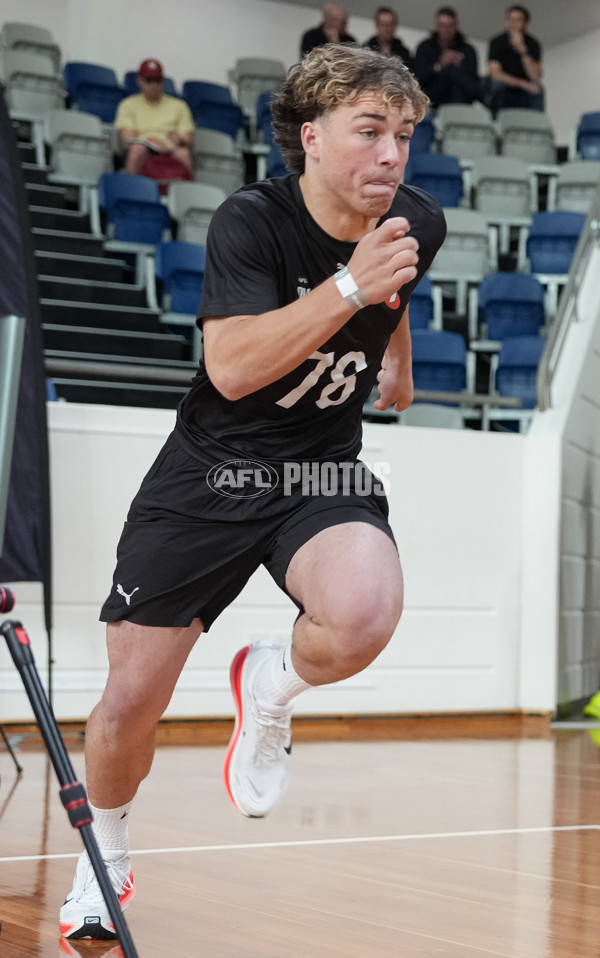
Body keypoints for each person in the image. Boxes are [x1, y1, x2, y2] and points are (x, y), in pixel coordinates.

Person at [59, 42, 446, 942]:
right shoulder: (250, 221)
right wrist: (349, 286)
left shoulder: (412, 218)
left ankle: (269, 686)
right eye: (370, 132)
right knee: (129, 702)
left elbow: (398, 291)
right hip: (211, 471)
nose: (392, 154)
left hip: (320, 466)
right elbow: (230, 368)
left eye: (404, 134)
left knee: (364, 613)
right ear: (311, 137)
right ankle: (103, 855)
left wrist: (397, 361)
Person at [114, 58, 194, 175]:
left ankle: (189, 192)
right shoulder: (128, 104)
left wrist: (178, 140)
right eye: (149, 80)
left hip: (171, 149)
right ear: (140, 81)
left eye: (158, 80)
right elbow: (128, 139)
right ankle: (130, 189)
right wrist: (152, 142)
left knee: (184, 153)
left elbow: (188, 140)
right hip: (144, 148)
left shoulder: (179, 106)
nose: (154, 85)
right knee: (137, 149)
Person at [413, 6, 481, 110]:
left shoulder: (468, 51)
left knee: (455, 76)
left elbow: (475, 87)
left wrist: (459, 67)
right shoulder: (425, 47)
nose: (446, 30)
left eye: (449, 26)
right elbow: (417, 80)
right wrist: (439, 66)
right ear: (437, 26)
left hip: (461, 103)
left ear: (456, 26)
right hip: (431, 102)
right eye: (442, 26)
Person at [487, 5, 543, 114]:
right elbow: (495, 74)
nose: (513, 24)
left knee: (539, 88)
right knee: (497, 85)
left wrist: (522, 50)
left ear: (526, 23)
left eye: (517, 20)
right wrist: (522, 83)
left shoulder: (533, 44)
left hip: (526, 86)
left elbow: (535, 76)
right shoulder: (497, 42)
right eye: (510, 20)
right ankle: (498, 123)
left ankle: (536, 126)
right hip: (505, 83)